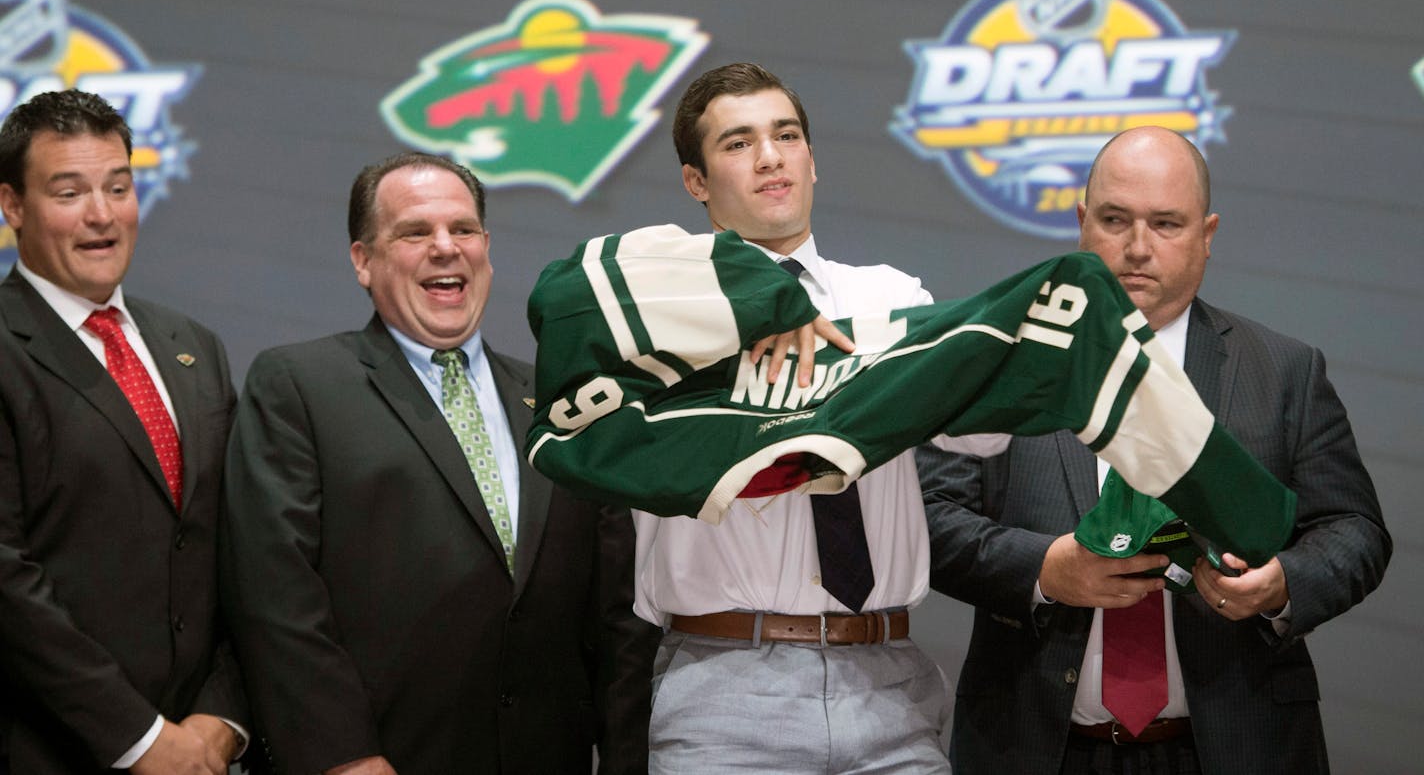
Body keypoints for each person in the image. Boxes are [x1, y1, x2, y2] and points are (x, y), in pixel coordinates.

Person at [919, 125, 1391, 774]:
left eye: (1167, 224)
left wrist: (1280, 585)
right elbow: (931, 519)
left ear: (1208, 234)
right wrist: (1046, 570)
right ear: (1083, 222)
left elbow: (1355, 531)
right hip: (1032, 746)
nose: (1138, 248)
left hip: (1235, 746)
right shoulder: (1001, 359)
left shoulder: (1283, 371)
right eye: (1115, 220)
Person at [219, 152, 657, 775]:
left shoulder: (565, 406)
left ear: (487, 248)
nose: (446, 247)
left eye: (464, 229)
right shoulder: (298, 385)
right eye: (415, 232)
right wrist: (341, 755)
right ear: (364, 261)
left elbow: (617, 616)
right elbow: (274, 593)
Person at [634, 62, 1006, 774]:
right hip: (726, 689)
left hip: (890, 681)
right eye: (738, 144)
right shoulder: (660, 314)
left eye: (787, 135)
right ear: (696, 182)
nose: (771, 157)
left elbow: (982, 432)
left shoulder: (890, 297)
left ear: (812, 160)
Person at [0, 89, 246, 774]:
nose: (102, 214)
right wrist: (141, 740)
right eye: (69, 191)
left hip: (202, 752)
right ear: (12, 205)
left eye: (118, 185)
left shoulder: (193, 345)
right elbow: (6, 580)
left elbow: (241, 550)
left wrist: (221, 720)